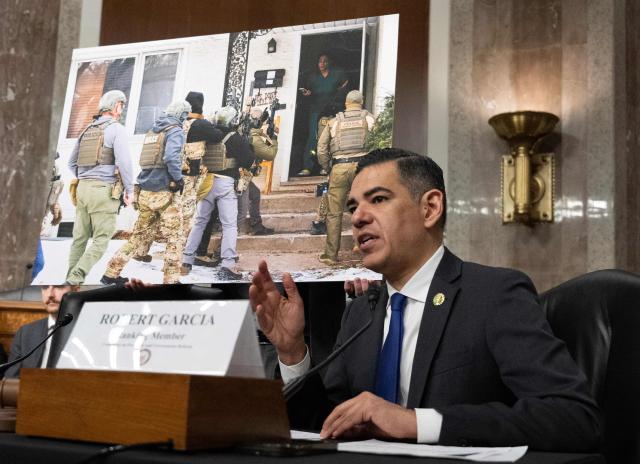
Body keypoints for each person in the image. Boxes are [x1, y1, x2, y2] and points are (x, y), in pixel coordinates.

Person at [249, 148, 601, 450]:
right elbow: (326, 425)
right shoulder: (360, 313)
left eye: (379, 199)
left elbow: (572, 417)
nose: (357, 218)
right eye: (353, 206)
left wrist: (417, 423)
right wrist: (292, 351)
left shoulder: (493, 295)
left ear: (430, 208)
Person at [100, 100, 191, 285]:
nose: (186, 119)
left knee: (138, 236)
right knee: (175, 236)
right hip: (164, 193)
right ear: (181, 115)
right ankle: (171, 281)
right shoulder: (175, 131)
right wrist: (178, 178)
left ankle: (110, 273)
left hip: (145, 192)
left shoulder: (154, 130)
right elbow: (171, 157)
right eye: (185, 116)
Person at [66, 90, 134, 285]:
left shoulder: (87, 130)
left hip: (82, 190)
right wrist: (129, 190)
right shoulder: (116, 129)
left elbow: (72, 163)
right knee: (101, 240)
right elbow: (124, 163)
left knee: (79, 239)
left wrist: (86, 178)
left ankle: (70, 281)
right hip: (103, 192)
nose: (121, 109)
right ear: (115, 106)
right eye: (121, 105)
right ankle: (75, 276)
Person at [181, 106, 255, 280]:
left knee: (200, 222)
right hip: (225, 183)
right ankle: (228, 263)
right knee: (229, 224)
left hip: (206, 182)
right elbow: (248, 160)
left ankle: (186, 260)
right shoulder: (236, 138)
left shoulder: (209, 135)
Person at [317, 90, 375, 265]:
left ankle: (330, 256)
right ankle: (367, 251)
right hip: (364, 169)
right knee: (366, 210)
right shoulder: (370, 119)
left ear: (346, 103)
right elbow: (381, 142)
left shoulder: (334, 122)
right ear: (362, 102)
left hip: (339, 168)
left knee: (334, 213)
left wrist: (328, 167)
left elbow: (321, 148)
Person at [3, 285, 78, 378]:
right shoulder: (25, 333)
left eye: (59, 286)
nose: (50, 294)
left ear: (76, 289)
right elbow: (11, 380)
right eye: (45, 287)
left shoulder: (88, 331)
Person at [297, 53, 348, 176]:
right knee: (313, 138)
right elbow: (308, 91)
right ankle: (307, 166)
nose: (322, 64)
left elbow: (345, 85)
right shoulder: (313, 77)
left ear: (329, 62)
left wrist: (341, 91)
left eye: (325, 61)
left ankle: (326, 166)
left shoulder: (337, 74)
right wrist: (307, 94)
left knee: (331, 137)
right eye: (320, 61)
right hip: (316, 111)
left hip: (332, 111)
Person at [238, 106, 278, 236]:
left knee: (254, 194)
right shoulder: (254, 137)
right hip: (241, 175)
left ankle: (257, 226)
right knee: (243, 207)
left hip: (241, 174)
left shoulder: (245, 131)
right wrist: (274, 138)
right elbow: (270, 154)